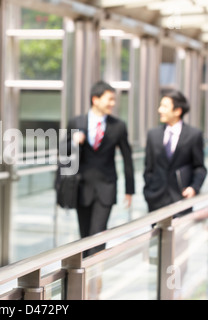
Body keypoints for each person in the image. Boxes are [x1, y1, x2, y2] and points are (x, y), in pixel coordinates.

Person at [65, 80, 135, 256]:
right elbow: (63, 151)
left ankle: (94, 275)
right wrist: (73, 142)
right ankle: (85, 277)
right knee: (84, 237)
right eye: (109, 99)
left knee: (98, 235)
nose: (113, 103)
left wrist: (129, 189)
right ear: (95, 99)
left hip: (106, 187)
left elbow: (127, 158)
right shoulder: (76, 121)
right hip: (82, 187)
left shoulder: (118, 125)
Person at [143, 89, 207, 213]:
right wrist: (149, 192)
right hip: (155, 200)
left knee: (180, 232)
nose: (159, 110)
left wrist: (193, 188)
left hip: (181, 198)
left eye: (164, 106)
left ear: (177, 111)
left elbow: (200, 168)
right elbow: (148, 168)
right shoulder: (153, 135)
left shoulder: (194, 135)